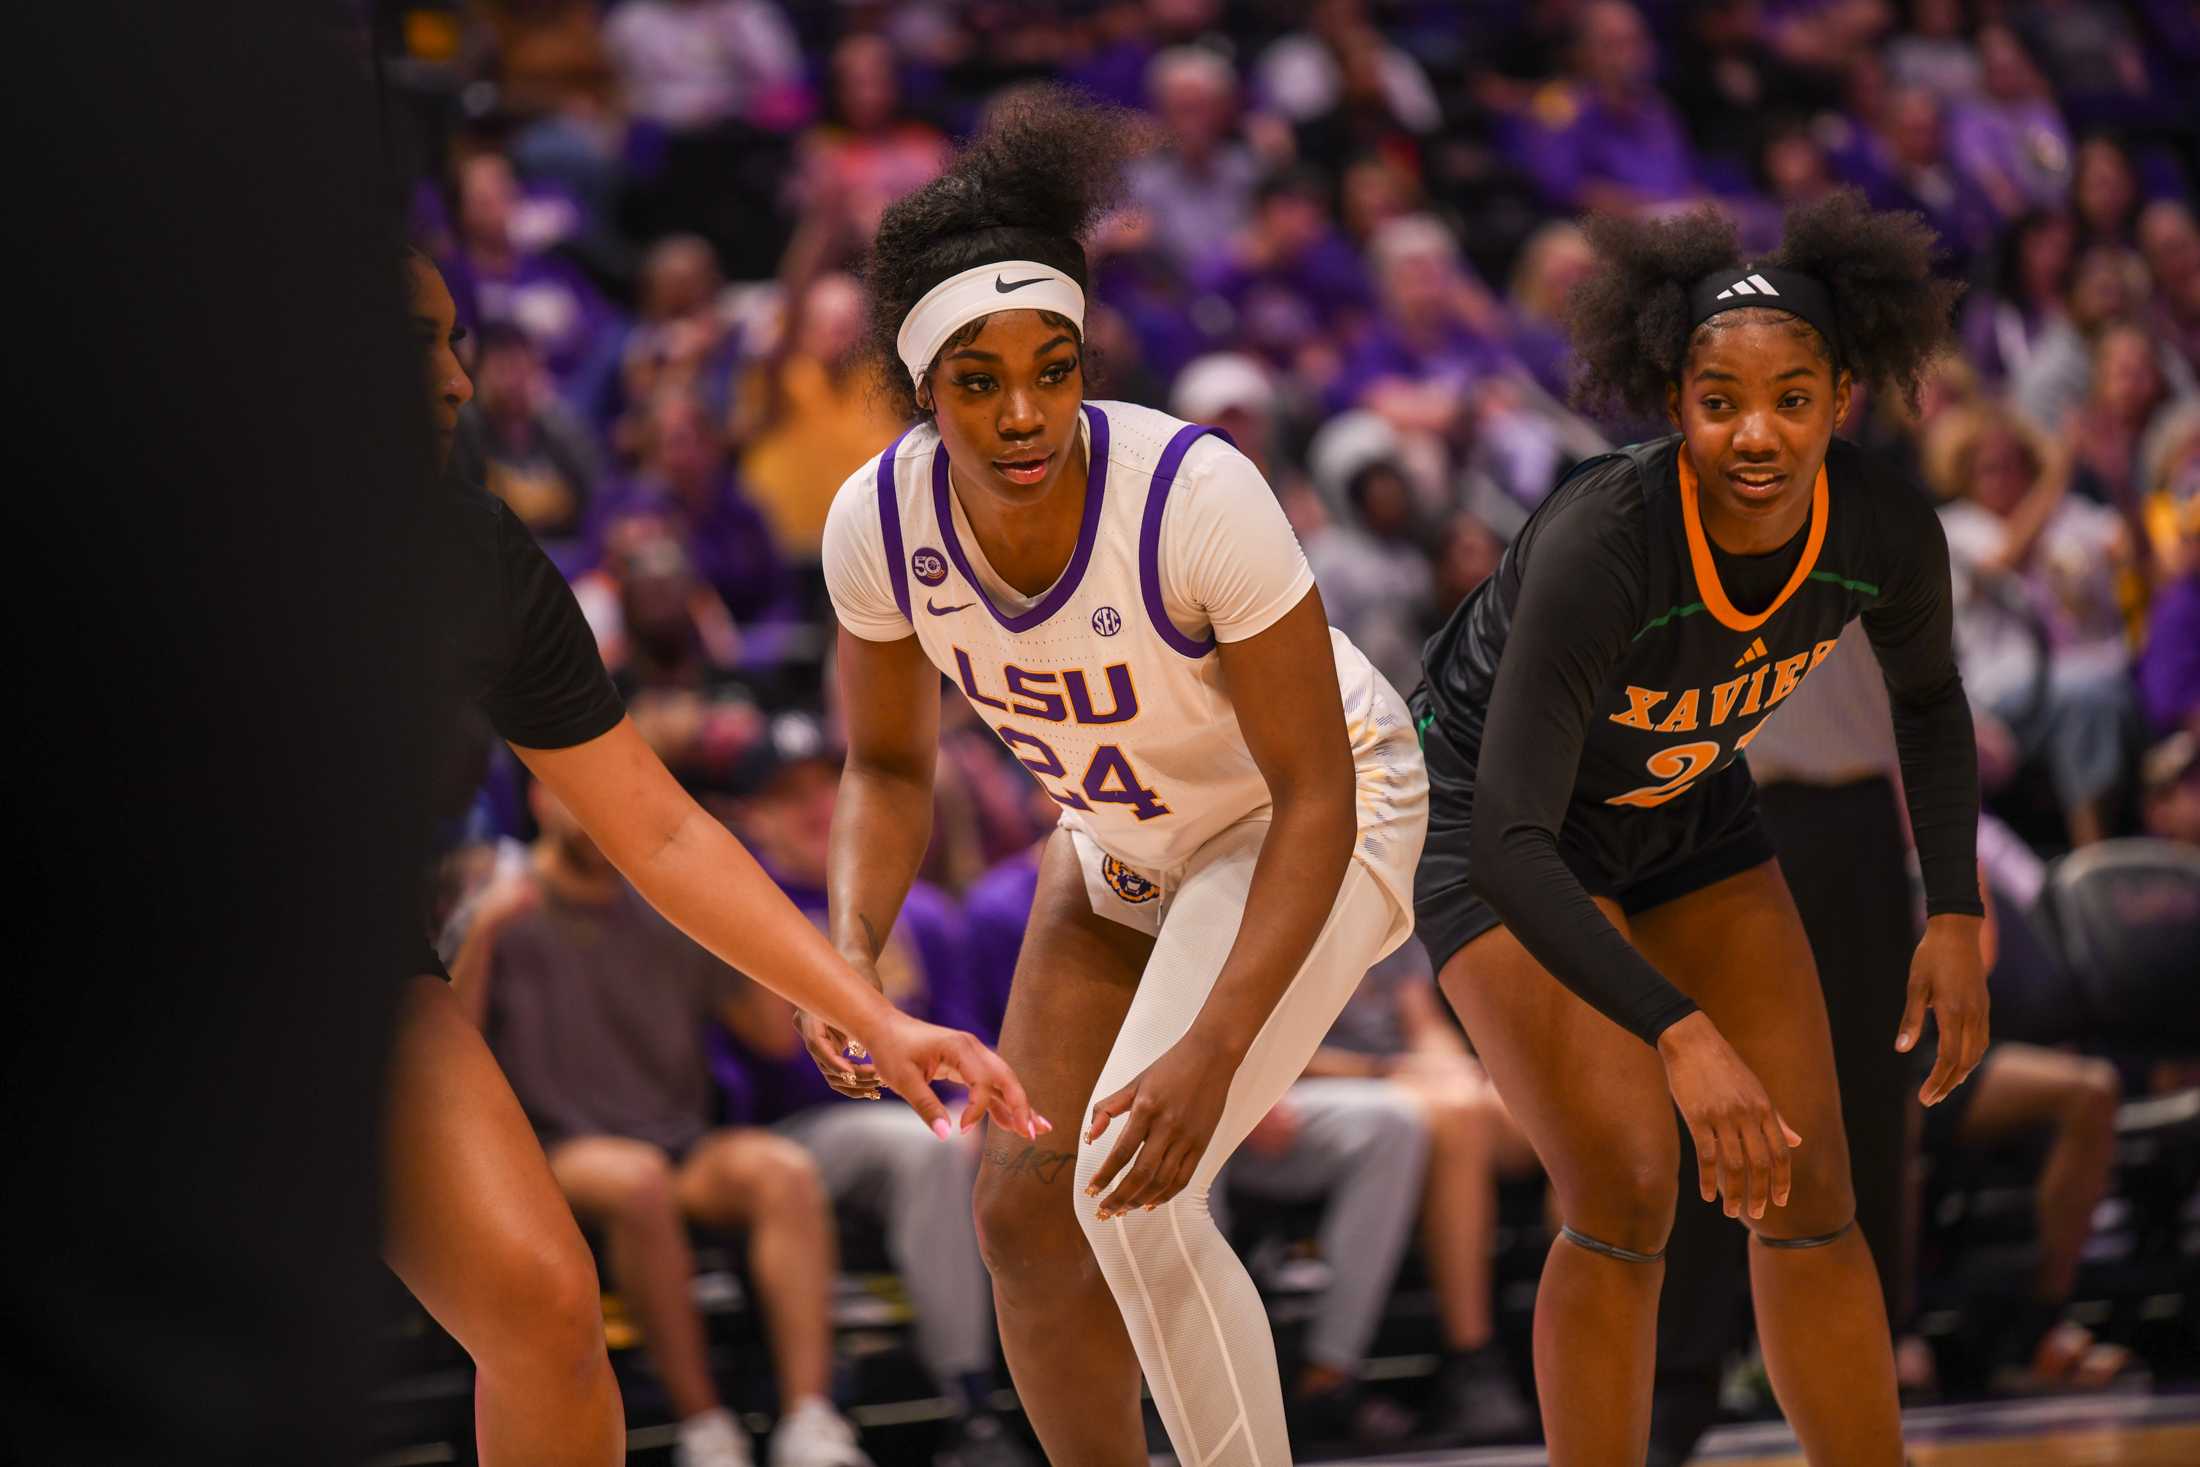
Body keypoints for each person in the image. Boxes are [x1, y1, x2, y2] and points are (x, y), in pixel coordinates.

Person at [810, 91, 1429, 1467]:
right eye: (979, 379)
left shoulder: (1194, 496)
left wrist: (1213, 1052)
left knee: (1133, 1189)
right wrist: (851, 949)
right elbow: (892, 762)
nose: (1024, 409)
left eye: (1055, 365)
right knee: (1025, 1212)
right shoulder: (880, 524)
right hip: (1126, 835)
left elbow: (1312, 794)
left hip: (1321, 811)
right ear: (926, 388)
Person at [387, 248, 1043, 1467]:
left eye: (457, 345)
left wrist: (866, 1011)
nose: (455, 384)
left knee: (542, 1307)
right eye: (412, 343)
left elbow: (665, 827)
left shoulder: (473, 559)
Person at [1411, 191, 1988, 1464]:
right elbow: (1510, 834)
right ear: (1673, 403)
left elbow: (1933, 700)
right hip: (1493, 830)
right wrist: (1677, 1031)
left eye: (1792, 397)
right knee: (1623, 1193)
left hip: (1681, 809)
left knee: (1811, 1190)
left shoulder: (1883, 527)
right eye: (1719, 399)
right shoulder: (1605, 538)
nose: (1756, 432)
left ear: (1842, 398)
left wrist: (1954, 906)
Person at [451, 781, 869, 1467]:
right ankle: (704, 1427)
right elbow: (452, 1044)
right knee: (638, 1182)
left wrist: (749, 903)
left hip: (677, 1139)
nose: (593, 815)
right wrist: (483, 929)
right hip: (554, 1148)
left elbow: (770, 1036)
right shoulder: (505, 907)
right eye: (573, 800)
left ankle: (811, 1422)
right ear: (539, 801)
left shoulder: (667, 905)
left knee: (781, 1171)